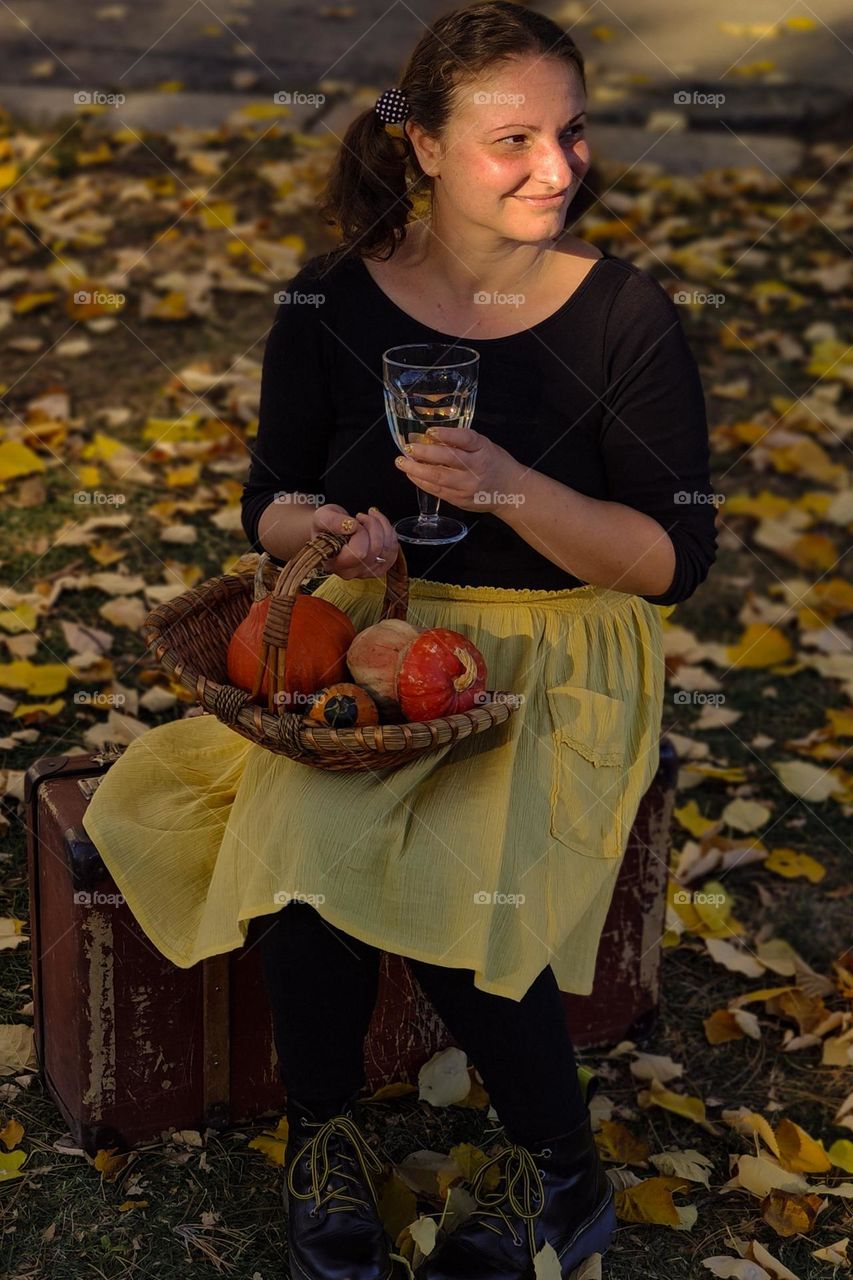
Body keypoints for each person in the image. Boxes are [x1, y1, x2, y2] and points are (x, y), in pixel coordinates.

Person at [82, 2, 718, 1277]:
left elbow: (670, 561)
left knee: (456, 882)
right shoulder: (327, 300)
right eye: (513, 139)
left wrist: (508, 491)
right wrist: (330, 532)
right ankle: (324, 1132)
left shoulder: (623, 317)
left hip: (556, 655)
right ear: (422, 147)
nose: (559, 168)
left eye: (572, 132)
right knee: (305, 848)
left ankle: (559, 1167)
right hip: (379, 640)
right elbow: (267, 506)